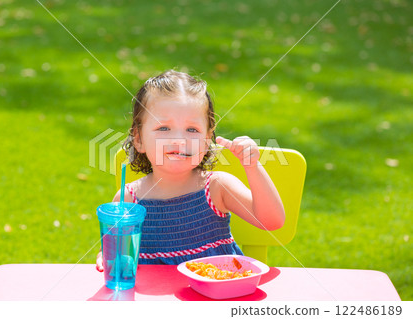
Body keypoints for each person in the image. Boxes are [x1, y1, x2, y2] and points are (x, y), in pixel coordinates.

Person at [96, 69, 284, 269]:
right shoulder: (129, 199)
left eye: (192, 130)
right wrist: (106, 254)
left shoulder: (217, 187)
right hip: (151, 299)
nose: (179, 139)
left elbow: (271, 221)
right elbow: (115, 251)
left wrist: (252, 166)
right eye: (163, 128)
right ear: (139, 140)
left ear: (206, 141)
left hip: (215, 297)